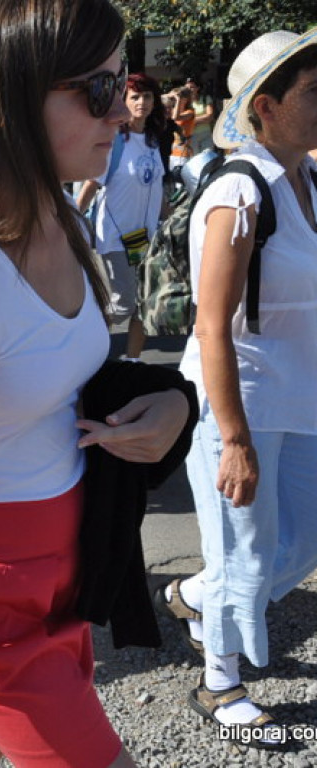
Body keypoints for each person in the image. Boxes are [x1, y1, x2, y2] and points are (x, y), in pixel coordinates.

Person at [0, 1, 193, 765]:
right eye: (97, 90)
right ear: (13, 95)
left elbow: (64, 374)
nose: (122, 111)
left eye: (122, 84)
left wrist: (175, 404)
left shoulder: (63, 213)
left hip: (64, 558)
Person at [157, 28, 317, 750]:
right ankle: (217, 683)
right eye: (313, 92)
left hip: (302, 399)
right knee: (243, 556)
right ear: (266, 107)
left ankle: (194, 597)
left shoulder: (308, 182)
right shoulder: (238, 190)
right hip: (242, 404)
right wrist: (235, 440)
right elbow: (212, 327)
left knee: (301, 541)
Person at [77, 73, 166, 361]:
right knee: (123, 304)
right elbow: (92, 184)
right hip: (116, 237)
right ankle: (85, 351)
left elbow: (158, 188)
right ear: (124, 102)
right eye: (135, 97)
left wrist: (175, 222)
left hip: (147, 239)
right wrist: (72, 219)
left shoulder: (153, 140)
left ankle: (132, 361)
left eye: (147, 96)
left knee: (144, 303)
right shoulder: (114, 140)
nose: (142, 102)